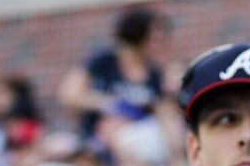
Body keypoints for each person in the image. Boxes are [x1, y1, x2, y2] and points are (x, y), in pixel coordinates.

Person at [58, 8, 173, 139]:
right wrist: (109, 104)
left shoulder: (155, 74)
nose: (161, 44)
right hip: (100, 136)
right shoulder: (104, 62)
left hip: (141, 136)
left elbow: (163, 112)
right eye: (155, 38)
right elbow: (69, 94)